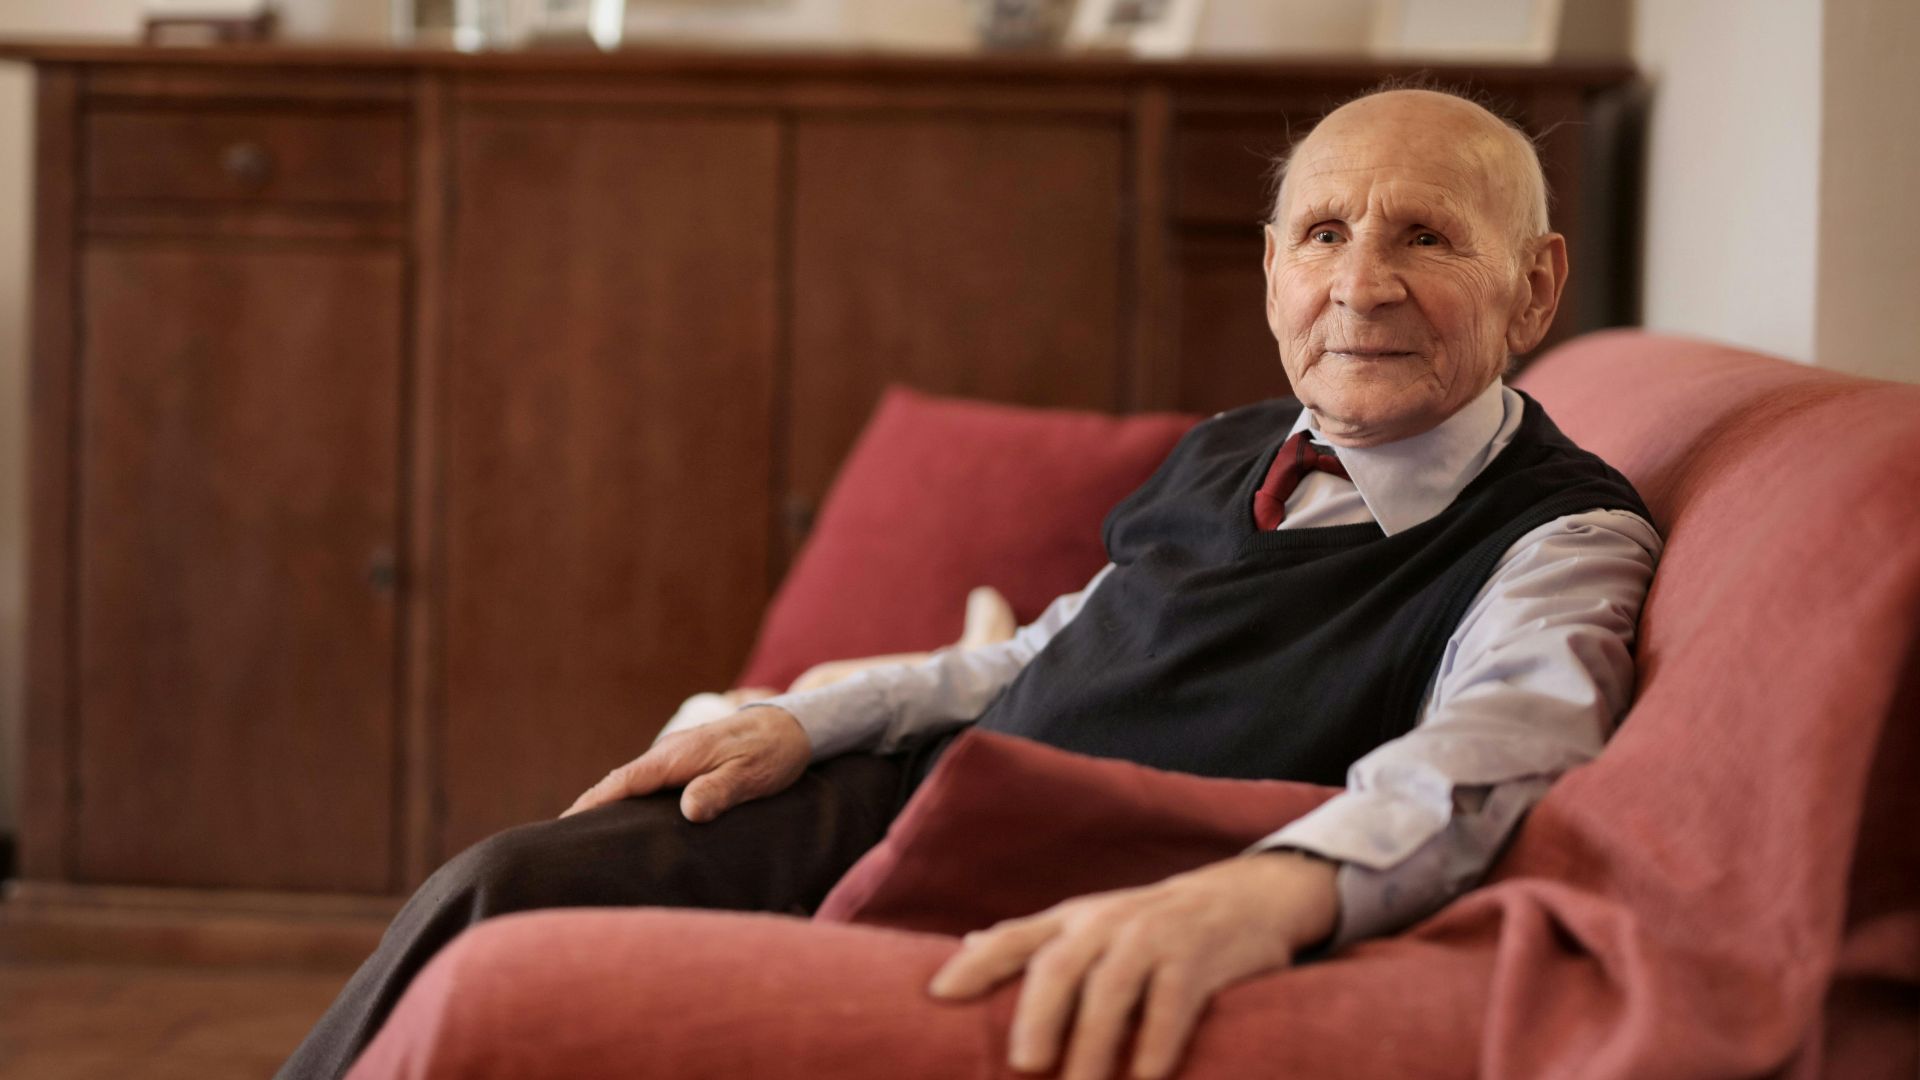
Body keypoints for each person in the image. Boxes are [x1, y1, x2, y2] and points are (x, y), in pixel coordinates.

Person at [280, 86, 1660, 1080]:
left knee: (510, 992)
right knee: (498, 884)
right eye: (1322, 234)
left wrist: (1273, 890)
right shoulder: (1237, 443)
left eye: (1425, 237)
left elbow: (1499, 752)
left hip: (1065, 866)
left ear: (1536, 289)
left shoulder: (1562, 533)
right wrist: (810, 720)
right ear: (1269, 270)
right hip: (929, 786)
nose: (1360, 283)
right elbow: (1060, 640)